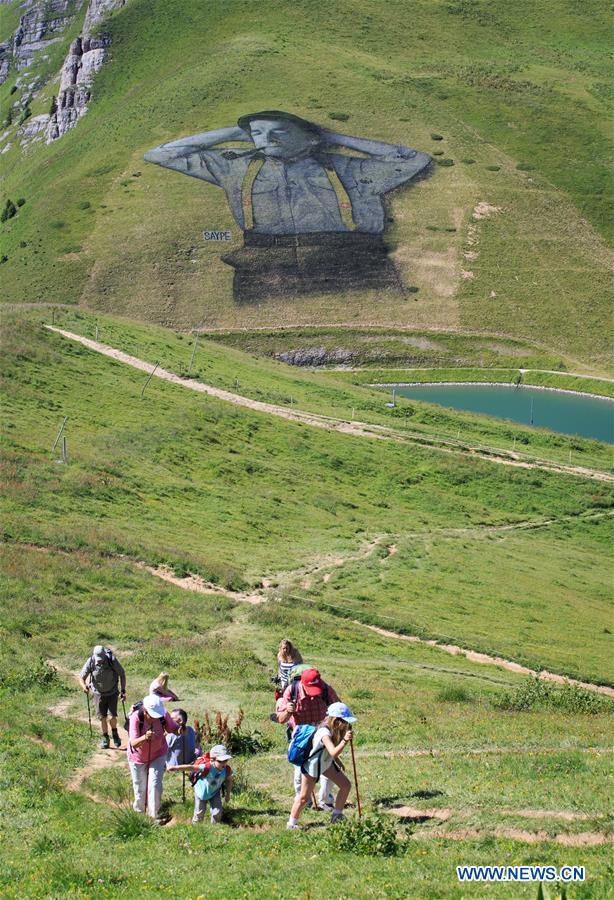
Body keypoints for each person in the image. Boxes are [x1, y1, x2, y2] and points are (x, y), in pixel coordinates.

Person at [144, 111, 431, 300]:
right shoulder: (234, 167)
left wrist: (332, 137)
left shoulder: (350, 168)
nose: (267, 139)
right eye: (258, 133)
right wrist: (232, 133)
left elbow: (414, 159)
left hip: (352, 263)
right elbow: (160, 155)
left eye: (279, 131)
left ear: (309, 137)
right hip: (263, 267)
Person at [277, 667, 340, 810]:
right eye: (311, 691)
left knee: (326, 766)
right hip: (302, 737)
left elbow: (338, 709)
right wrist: (288, 711)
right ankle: (303, 802)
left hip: (322, 734)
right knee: (300, 771)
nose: (313, 696)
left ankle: (325, 801)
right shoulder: (292, 691)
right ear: (303, 684)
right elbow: (281, 719)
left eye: (316, 691)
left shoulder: (325, 689)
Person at [287, 702, 356, 830]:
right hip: (312, 767)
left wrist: (337, 761)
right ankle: (291, 824)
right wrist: (345, 741)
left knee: (346, 785)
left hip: (325, 763)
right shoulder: (324, 732)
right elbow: (333, 752)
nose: (347, 725)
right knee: (303, 798)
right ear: (336, 720)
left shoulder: (331, 730)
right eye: (345, 722)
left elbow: (329, 752)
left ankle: (337, 815)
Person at [127, 693, 178, 823]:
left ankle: (154, 815)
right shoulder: (136, 717)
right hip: (138, 757)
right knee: (140, 787)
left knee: (155, 784)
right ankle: (139, 814)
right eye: (152, 715)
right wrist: (145, 737)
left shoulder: (163, 715)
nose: (155, 718)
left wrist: (180, 730)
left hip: (158, 754)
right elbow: (133, 743)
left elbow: (172, 728)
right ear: (145, 711)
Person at [168, 743, 233, 825]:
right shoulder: (206, 767)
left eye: (226, 760)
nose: (224, 763)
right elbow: (191, 767)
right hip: (201, 793)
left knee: (217, 812)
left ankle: (214, 827)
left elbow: (229, 780)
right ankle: (196, 828)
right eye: (220, 761)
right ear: (212, 760)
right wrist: (175, 768)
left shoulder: (227, 770)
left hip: (214, 792)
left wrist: (228, 795)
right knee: (199, 813)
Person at [79, 645, 126, 749]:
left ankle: (115, 733)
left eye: (101, 659)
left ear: (105, 655)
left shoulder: (112, 660)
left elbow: (122, 674)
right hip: (98, 694)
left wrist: (123, 690)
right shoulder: (91, 661)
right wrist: (84, 687)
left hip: (112, 692)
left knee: (112, 716)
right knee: (102, 717)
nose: (100, 661)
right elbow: (81, 677)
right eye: (98, 659)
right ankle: (105, 738)